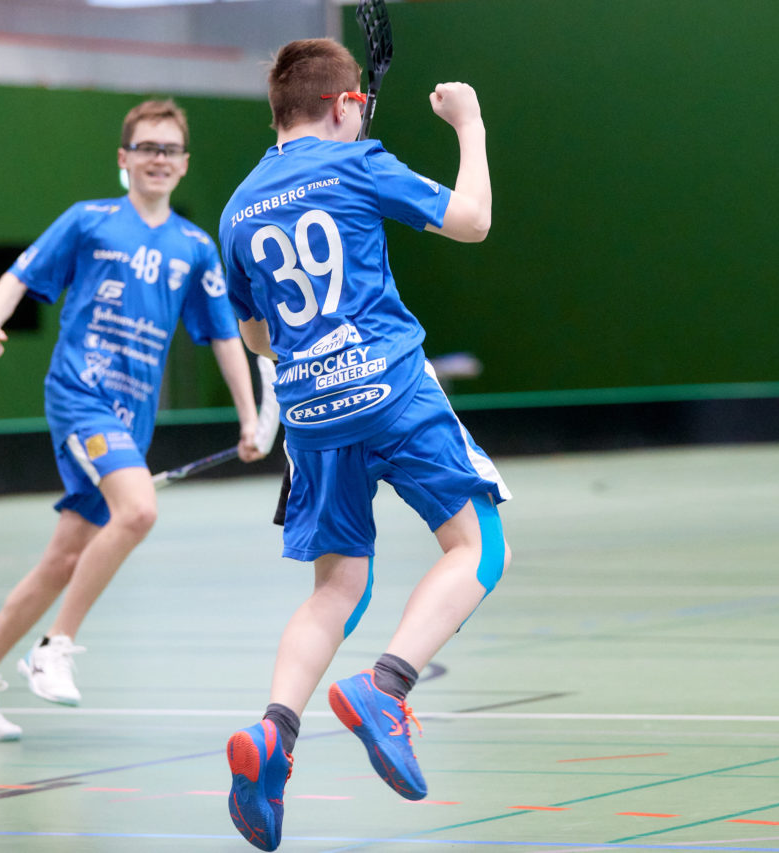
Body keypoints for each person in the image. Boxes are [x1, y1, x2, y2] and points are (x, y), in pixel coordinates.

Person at [217, 39, 512, 850]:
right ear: (346, 103)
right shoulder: (357, 163)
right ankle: (387, 684)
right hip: (390, 390)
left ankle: (274, 732)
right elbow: (473, 220)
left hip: (310, 415)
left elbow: (256, 335)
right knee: (479, 546)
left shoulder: (237, 209)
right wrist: (470, 124)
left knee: (337, 586)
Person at [0, 98, 265, 741]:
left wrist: (248, 418)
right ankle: (54, 646)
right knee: (137, 511)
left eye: (170, 149)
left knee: (63, 558)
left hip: (133, 421)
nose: (158, 159)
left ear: (184, 163)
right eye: (147, 148)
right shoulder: (90, 222)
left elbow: (226, 336)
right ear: (124, 158)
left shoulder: (196, 248)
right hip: (80, 397)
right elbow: (20, 274)